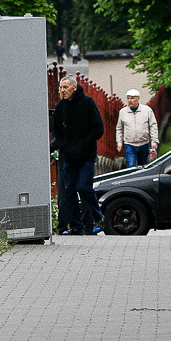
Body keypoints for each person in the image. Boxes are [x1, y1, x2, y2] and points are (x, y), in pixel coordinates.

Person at [51, 77, 104, 234]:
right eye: (60, 87)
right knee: (69, 190)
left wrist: (84, 143)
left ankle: (98, 216)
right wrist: (63, 145)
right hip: (69, 155)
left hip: (86, 155)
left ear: (74, 87)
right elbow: (57, 131)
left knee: (84, 187)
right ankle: (75, 226)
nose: (62, 90)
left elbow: (98, 128)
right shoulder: (61, 106)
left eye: (65, 87)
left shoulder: (87, 102)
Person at [116, 90, 159, 168]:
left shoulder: (147, 110)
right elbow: (119, 128)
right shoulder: (123, 112)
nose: (130, 101)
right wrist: (119, 142)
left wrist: (154, 142)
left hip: (144, 143)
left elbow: (153, 125)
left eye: (132, 98)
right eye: (128, 98)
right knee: (131, 166)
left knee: (143, 166)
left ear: (138, 98)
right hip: (129, 144)